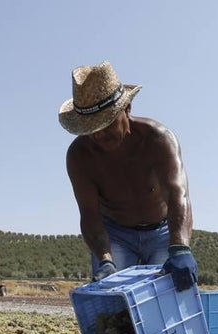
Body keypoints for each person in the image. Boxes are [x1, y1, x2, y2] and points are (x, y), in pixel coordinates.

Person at [59, 61, 198, 290]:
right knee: (113, 298)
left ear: (127, 109)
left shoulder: (158, 140)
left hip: (162, 230)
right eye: (91, 129)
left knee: (168, 294)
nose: (99, 135)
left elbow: (178, 195)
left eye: (107, 124)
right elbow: (90, 214)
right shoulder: (79, 156)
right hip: (115, 234)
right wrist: (105, 259)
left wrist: (180, 247)